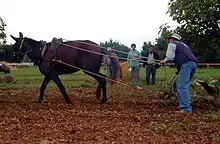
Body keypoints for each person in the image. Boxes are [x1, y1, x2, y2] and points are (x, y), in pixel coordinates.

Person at [160, 33, 197, 113]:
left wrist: (164, 61)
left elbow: (170, 56)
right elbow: (182, 56)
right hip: (193, 64)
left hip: (186, 65)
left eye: (170, 39)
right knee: (185, 85)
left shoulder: (172, 44)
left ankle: (186, 108)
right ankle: (183, 105)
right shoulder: (184, 45)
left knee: (182, 86)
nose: (169, 40)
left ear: (172, 39)